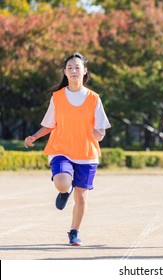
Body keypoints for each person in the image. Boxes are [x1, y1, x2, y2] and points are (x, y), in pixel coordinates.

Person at [24, 52, 111, 246]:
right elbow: (49, 123)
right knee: (63, 183)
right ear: (64, 72)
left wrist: (99, 134)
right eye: (69, 68)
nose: (73, 71)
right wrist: (35, 136)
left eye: (77, 67)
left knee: (81, 197)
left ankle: (74, 232)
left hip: (86, 153)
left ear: (85, 71)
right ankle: (64, 191)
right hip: (61, 148)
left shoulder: (94, 98)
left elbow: (101, 129)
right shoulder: (58, 97)